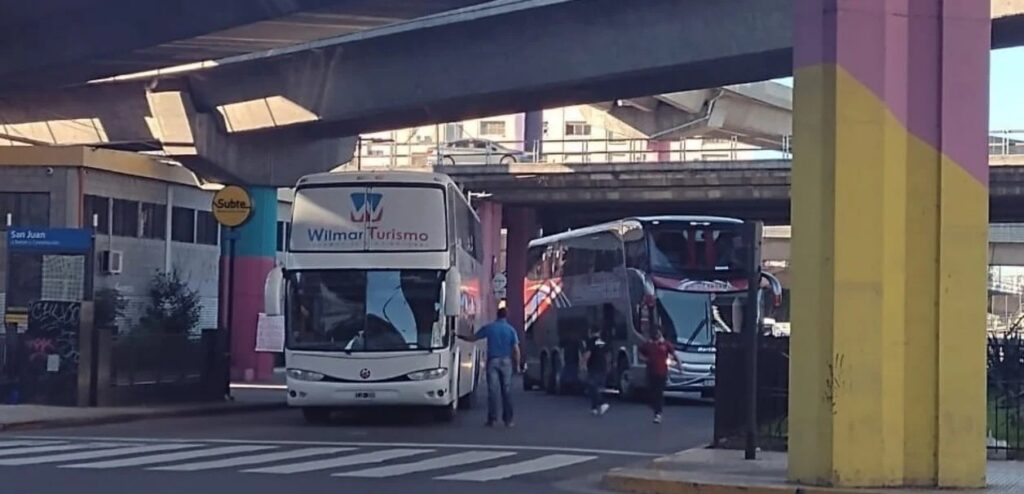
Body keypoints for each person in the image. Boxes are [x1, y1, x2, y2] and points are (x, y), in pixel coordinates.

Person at [474, 307, 521, 427]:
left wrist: (459, 336)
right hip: (506, 361)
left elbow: (474, 338)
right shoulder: (511, 330)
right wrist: (518, 364)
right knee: (507, 391)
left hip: (493, 361)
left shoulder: (490, 328)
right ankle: (508, 420)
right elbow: (516, 349)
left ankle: (492, 419)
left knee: (493, 391)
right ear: (506, 316)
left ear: (497, 315)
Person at [640, 327, 675, 423]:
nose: (657, 335)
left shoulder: (666, 344)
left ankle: (658, 413)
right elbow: (641, 353)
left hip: (662, 372)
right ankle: (654, 406)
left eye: (658, 333)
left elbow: (673, 354)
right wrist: (645, 359)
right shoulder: (649, 344)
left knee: (659, 392)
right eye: (655, 333)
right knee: (651, 391)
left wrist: (678, 365)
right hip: (651, 372)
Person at [581, 326, 610, 416]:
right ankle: (593, 408)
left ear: (591, 332)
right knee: (596, 387)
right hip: (602, 366)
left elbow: (588, 353)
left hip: (593, 366)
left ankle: (602, 403)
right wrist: (608, 365)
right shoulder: (603, 341)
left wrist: (583, 364)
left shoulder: (591, 341)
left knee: (592, 386)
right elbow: (607, 354)